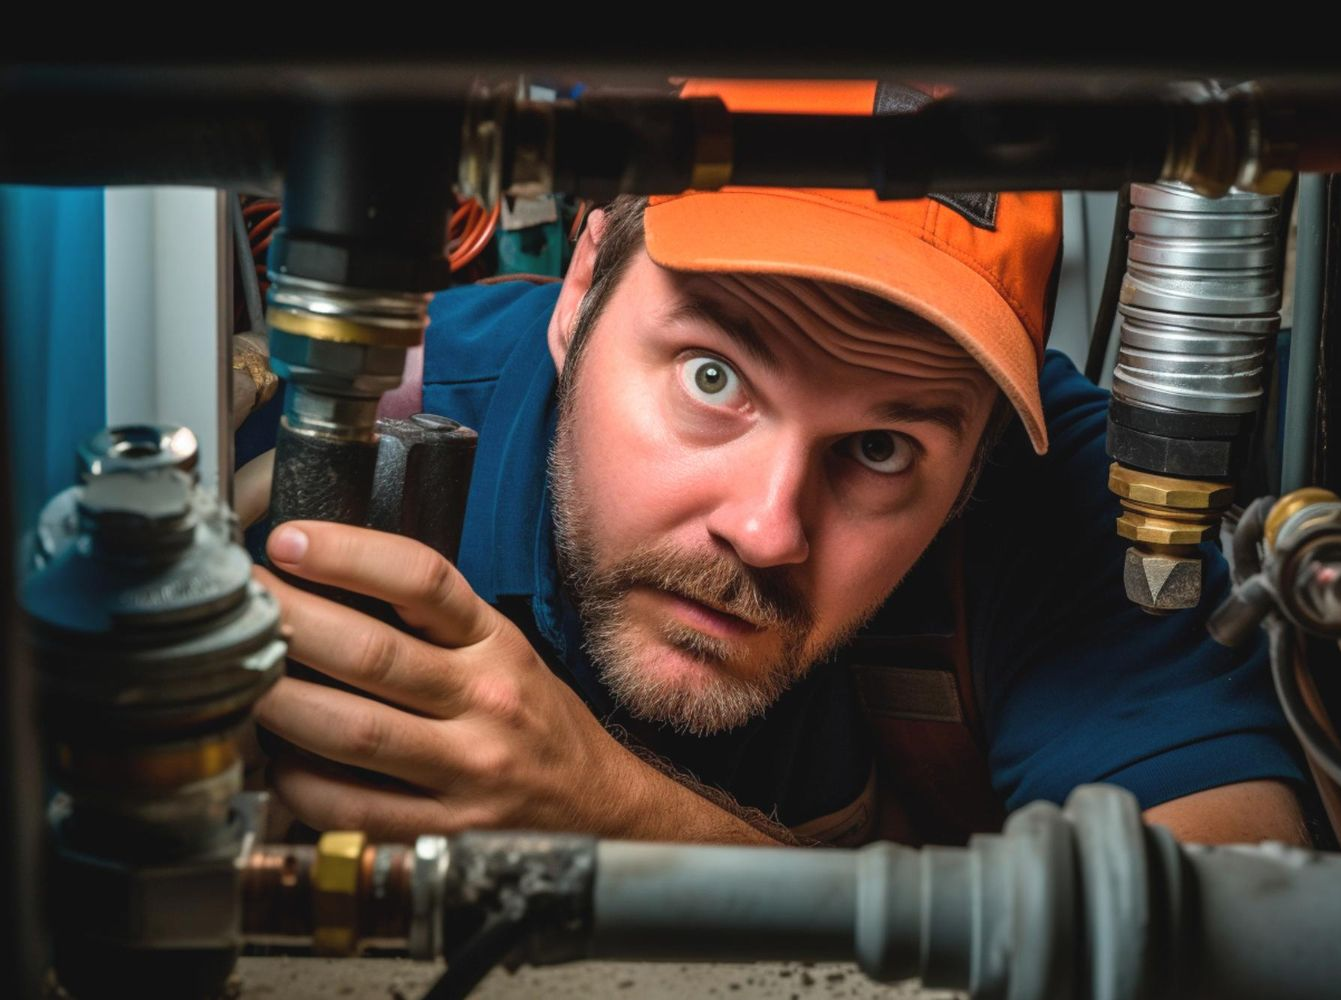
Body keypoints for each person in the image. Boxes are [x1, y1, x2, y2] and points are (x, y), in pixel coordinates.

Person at [247, 80, 1310, 847]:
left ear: (979, 456)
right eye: (714, 379)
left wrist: (615, 810)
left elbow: (1232, 928)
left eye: (882, 450)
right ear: (579, 294)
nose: (767, 529)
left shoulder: (1069, 493)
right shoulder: (360, 412)